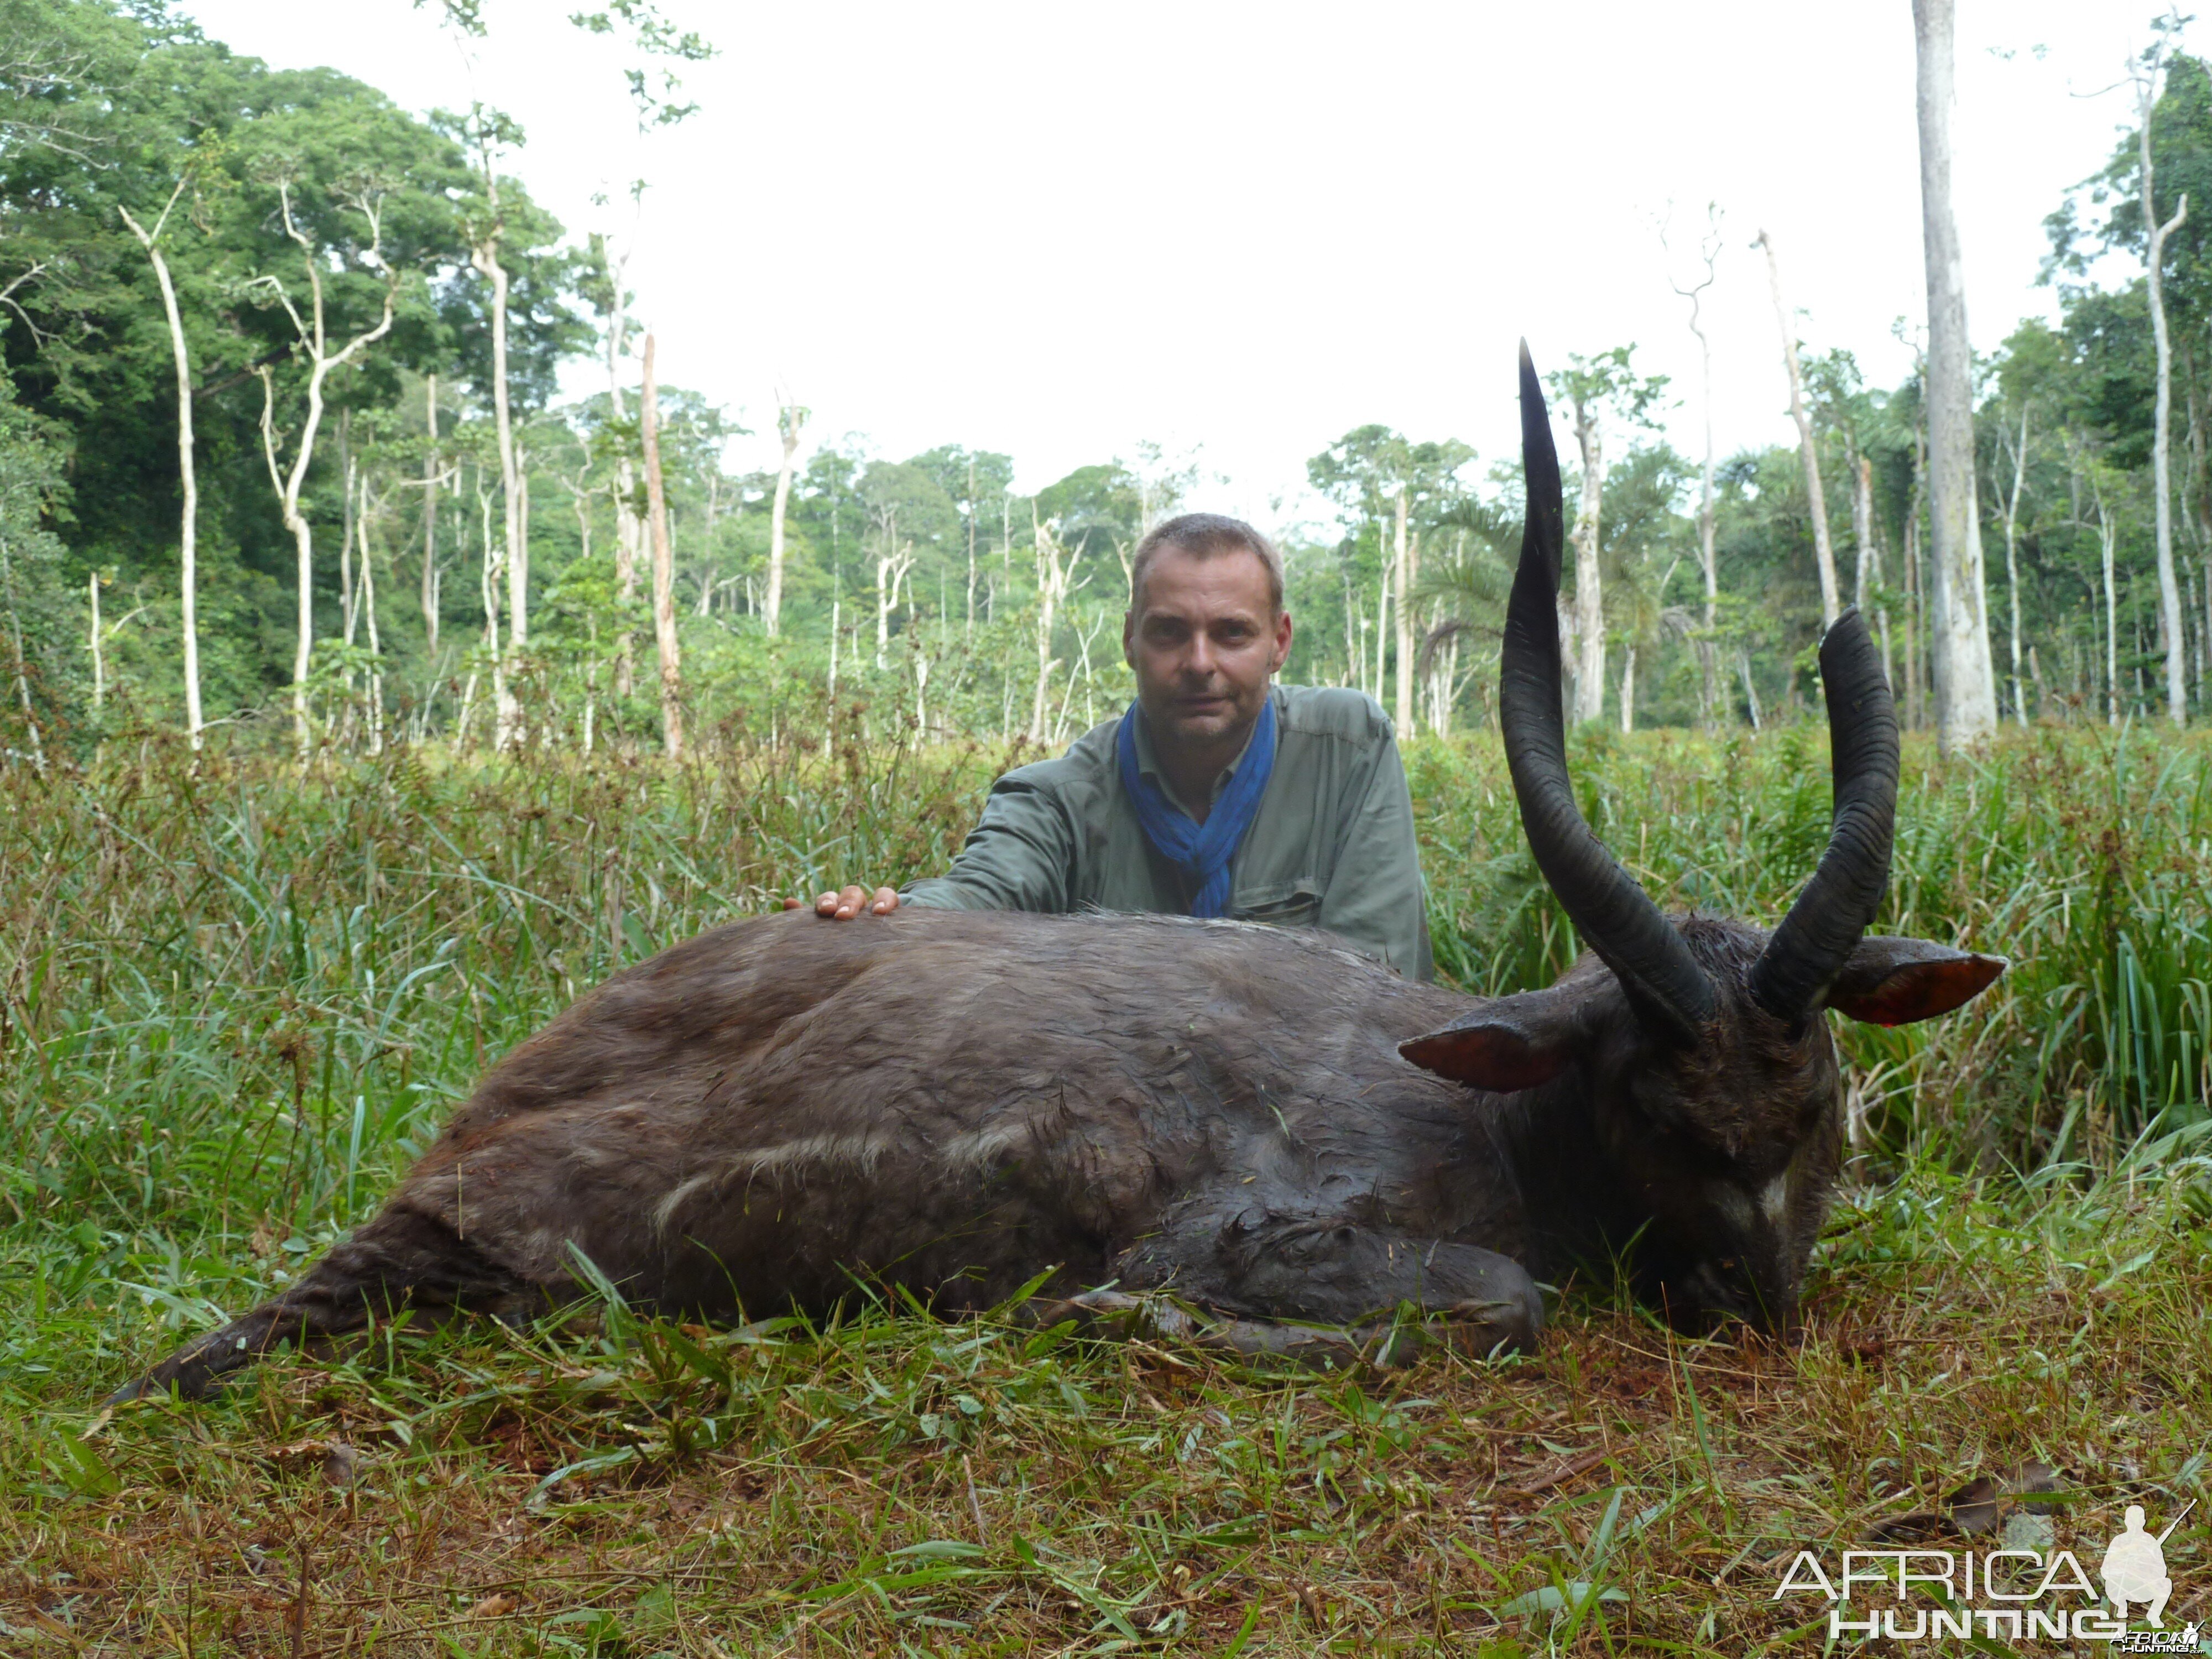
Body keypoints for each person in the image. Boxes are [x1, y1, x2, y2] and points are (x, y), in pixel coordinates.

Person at [789, 511, 1432, 979]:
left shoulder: (1346, 745)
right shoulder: (1054, 799)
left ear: (1279, 642)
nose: (1199, 662)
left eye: (1232, 634)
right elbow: (976, 897)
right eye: (1169, 633)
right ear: (1129, 640)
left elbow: (1376, 975)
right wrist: (882, 921)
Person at [2101, 1505, 2173, 1627]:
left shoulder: (2150, 1542)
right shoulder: (2119, 1541)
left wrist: (2146, 1568)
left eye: (2138, 1520)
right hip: (2121, 1586)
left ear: (2144, 1522)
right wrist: (2124, 1568)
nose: (2135, 1524)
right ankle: (2121, 1609)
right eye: (2131, 1520)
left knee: (2166, 1584)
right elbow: (2105, 1569)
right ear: (2126, 1522)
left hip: (2144, 1587)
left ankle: (2154, 1615)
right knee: (2110, 1583)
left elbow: (2162, 1571)